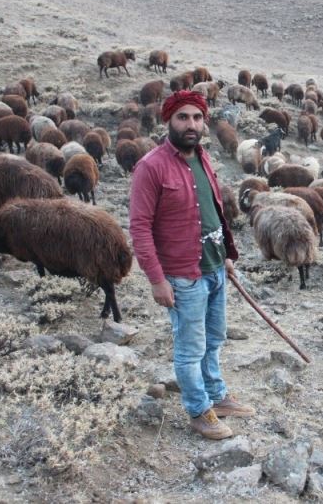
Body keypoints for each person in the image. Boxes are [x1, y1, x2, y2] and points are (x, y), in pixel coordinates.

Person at [129, 90, 254, 440]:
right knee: (189, 348)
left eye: (197, 118)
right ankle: (199, 411)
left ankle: (217, 396)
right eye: (183, 117)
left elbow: (213, 212)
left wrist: (227, 254)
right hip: (182, 276)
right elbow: (139, 227)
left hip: (214, 269)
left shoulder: (203, 158)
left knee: (214, 338)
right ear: (168, 120)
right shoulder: (151, 167)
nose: (191, 124)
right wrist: (156, 280)